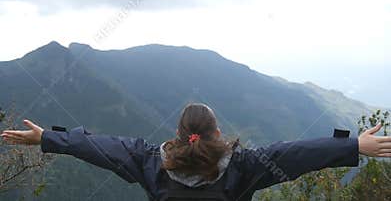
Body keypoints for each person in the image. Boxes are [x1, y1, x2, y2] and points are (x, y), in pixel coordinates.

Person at [1, 103, 391, 201]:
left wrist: (47, 139)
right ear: (217, 132)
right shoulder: (246, 166)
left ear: (179, 133)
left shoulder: (149, 161)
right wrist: (355, 144)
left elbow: (97, 147)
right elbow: (297, 153)